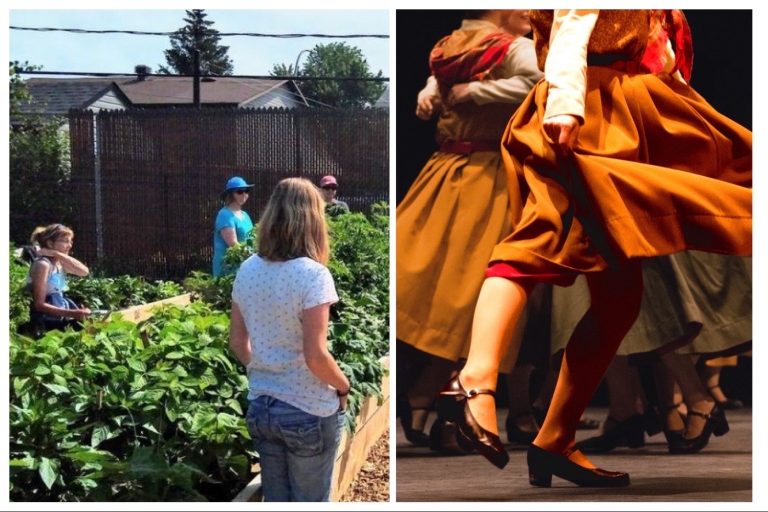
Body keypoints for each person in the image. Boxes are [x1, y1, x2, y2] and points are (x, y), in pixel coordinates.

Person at [437, 9, 751, 488]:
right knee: (539, 239)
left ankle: (555, 439)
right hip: (589, 110)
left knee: (620, 295)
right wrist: (566, 104)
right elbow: (571, 26)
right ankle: (475, 380)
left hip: (626, 110)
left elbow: (652, 46)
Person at [396, 9, 543, 446]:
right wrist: (431, 90)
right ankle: (433, 397)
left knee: (467, 293)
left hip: (485, 173)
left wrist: (474, 90)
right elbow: (536, 82)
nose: (532, 14)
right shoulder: (466, 46)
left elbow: (536, 84)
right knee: (443, 289)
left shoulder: (495, 47)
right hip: (467, 173)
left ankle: (436, 398)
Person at [228, 177, 351, 502]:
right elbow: (316, 356)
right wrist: (343, 386)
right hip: (307, 410)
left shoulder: (247, 269)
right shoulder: (313, 275)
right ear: (312, 219)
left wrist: (266, 369)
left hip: (262, 407)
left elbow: (239, 343)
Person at [26, 223, 91, 334]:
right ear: (50, 243)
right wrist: (73, 313)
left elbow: (84, 272)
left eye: (71, 241)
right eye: (65, 241)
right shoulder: (43, 265)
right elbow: (39, 305)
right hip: (45, 320)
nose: (69, 245)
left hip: (58, 313)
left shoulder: (59, 263)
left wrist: (57, 254)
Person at [213, 176, 255, 277]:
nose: (244, 194)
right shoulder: (224, 215)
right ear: (231, 194)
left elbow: (251, 239)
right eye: (240, 191)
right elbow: (233, 245)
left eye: (246, 191)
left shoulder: (245, 215)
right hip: (227, 268)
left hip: (244, 266)